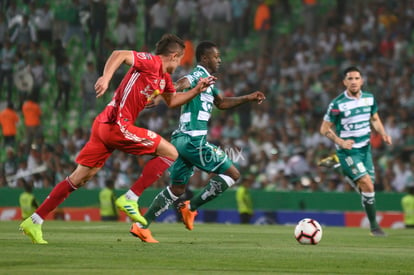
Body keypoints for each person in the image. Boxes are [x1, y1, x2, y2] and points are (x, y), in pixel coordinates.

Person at [19, 34, 215, 244]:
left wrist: (196, 90)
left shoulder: (164, 78)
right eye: (180, 60)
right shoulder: (151, 62)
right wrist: (106, 78)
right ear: (174, 56)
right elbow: (119, 54)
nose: (180, 65)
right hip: (116, 124)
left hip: (104, 125)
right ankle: (131, 197)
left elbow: (172, 101)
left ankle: (35, 220)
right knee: (171, 152)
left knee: (80, 177)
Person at [129, 41, 265, 243]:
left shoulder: (208, 82)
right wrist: (161, 95)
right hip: (193, 140)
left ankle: (141, 225)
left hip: (181, 141)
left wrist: (248, 97)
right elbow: (183, 82)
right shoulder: (198, 75)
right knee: (232, 174)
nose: (219, 60)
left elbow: (222, 103)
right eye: (216, 56)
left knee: (176, 190)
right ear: (204, 58)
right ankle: (190, 207)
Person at [320, 66, 392, 237]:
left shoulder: (369, 98)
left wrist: (383, 134)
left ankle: (337, 164)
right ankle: (375, 228)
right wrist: (340, 141)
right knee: (367, 183)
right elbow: (324, 129)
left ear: (362, 81)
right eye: (350, 79)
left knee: (368, 187)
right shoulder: (337, 104)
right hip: (348, 151)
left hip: (365, 149)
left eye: (356, 78)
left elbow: (374, 119)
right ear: (344, 82)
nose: (353, 82)